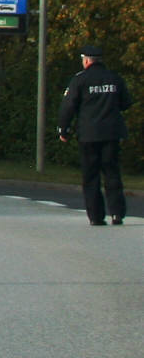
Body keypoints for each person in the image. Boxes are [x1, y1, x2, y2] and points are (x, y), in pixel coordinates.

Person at [57, 46, 133, 226]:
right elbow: (126, 102)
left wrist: (63, 129)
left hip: (88, 135)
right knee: (112, 173)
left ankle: (96, 216)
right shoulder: (115, 78)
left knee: (91, 176)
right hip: (112, 134)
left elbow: (69, 106)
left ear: (86, 60)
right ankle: (116, 213)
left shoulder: (80, 80)